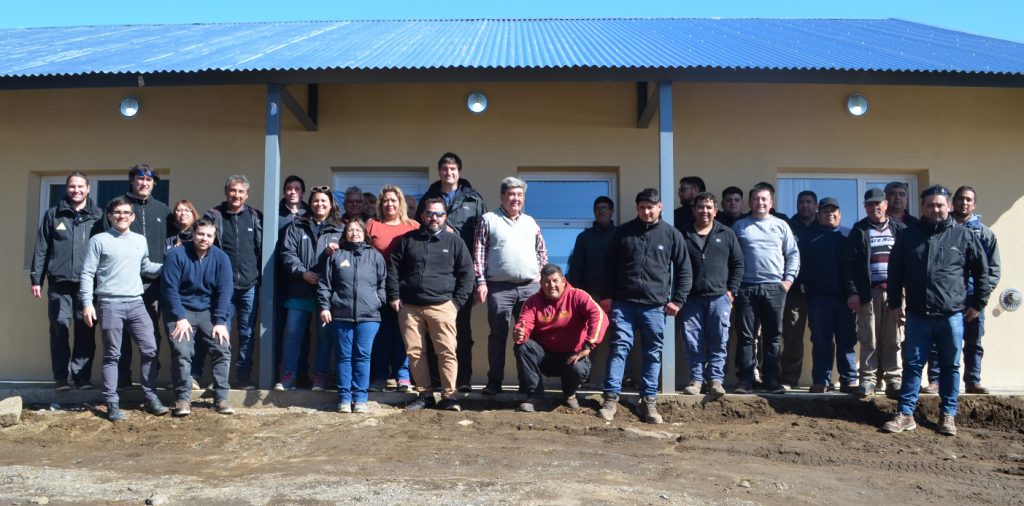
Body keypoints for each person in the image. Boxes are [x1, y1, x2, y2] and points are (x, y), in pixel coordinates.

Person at [882, 184, 989, 437]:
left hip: (951, 316)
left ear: (949, 206)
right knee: (912, 364)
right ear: (923, 207)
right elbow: (895, 271)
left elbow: (982, 272)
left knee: (951, 366)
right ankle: (905, 414)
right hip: (917, 314)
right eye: (930, 205)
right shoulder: (909, 236)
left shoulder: (964, 236)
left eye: (940, 204)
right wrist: (896, 303)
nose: (935, 209)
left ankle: (948, 415)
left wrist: (978, 304)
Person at [598, 188, 690, 424]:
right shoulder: (623, 233)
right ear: (637, 208)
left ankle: (648, 402)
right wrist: (607, 296)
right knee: (619, 349)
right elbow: (607, 266)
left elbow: (685, 270)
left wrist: (677, 300)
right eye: (642, 208)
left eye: (651, 207)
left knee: (652, 354)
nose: (646, 212)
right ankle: (610, 401)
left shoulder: (671, 234)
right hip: (624, 305)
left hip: (654, 307)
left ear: (659, 206)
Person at [80, 197, 165, 422]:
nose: (122, 216)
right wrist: (87, 303)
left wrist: (173, 264)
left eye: (126, 212)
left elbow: (146, 267)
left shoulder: (139, 240)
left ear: (132, 216)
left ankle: (150, 396)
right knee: (112, 355)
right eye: (117, 212)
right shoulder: (99, 240)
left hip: (137, 303)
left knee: (150, 350)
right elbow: (88, 273)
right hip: (109, 304)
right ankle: (111, 401)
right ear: (109, 215)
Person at [388, 198, 475, 411]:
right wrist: (394, 295)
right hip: (410, 307)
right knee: (415, 352)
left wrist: (456, 304)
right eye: (429, 214)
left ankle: (449, 397)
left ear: (445, 217)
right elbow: (393, 269)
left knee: (446, 351)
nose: (434, 218)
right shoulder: (408, 240)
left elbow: (467, 274)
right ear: (422, 216)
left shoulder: (455, 242)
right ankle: (425, 395)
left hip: (442, 305)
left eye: (438, 214)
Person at [417, 152, 488, 391]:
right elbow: (420, 233)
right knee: (433, 330)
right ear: (439, 172)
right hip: (435, 273)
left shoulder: (474, 199)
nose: (449, 173)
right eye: (445, 169)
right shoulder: (428, 198)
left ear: (459, 171)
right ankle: (437, 380)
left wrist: (480, 279)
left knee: (462, 329)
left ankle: (463, 380)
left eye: (453, 169)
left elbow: (482, 240)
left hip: (462, 274)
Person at [923, 186, 1001, 395]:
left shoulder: (984, 233)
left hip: (972, 298)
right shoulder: (941, 229)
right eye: (960, 199)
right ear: (952, 203)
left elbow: (992, 270)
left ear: (974, 205)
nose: (964, 203)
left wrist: (980, 301)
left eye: (968, 200)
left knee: (973, 341)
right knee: (937, 341)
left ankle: (973, 381)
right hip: (945, 297)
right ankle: (935, 381)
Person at [474, 177, 548, 395]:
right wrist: (481, 282)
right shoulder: (488, 219)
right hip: (499, 288)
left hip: (529, 288)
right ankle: (494, 382)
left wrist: (540, 278)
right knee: (498, 335)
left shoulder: (531, 222)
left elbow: (542, 251)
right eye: (512, 194)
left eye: (520, 195)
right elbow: (478, 253)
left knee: (526, 336)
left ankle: (527, 384)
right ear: (502, 196)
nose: (516, 199)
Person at [30, 172, 103, 391]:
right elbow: (42, 248)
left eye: (81, 186)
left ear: (88, 188)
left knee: (85, 330)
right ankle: (61, 378)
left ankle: (82, 378)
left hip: (87, 285)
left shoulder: (99, 215)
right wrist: (36, 279)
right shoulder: (54, 214)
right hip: (59, 283)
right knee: (60, 328)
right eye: (72, 186)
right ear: (67, 188)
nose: (76, 190)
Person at [107, 164, 173, 389]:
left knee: (151, 334)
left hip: (153, 284)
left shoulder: (163, 210)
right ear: (132, 181)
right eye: (140, 178)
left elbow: (172, 244)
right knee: (121, 337)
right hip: (123, 284)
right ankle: (122, 382)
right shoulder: (120, 206)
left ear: (153, 183)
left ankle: (150, 383)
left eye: (149, 179)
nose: (144, 183)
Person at [161, 218, 235, 416]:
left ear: (214, 237)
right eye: (200, 234)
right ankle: (183, 399)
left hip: (208, 312)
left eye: (209, 235)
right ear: (193, 234)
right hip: (180, 311)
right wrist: (179, 317)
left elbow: (225, 291)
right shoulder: (176, 255)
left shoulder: (221, 258)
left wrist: (220, 322)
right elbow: (169, 289)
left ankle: (221, 398)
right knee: (182, 350)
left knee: (222, 348)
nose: (204, 239)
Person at [731, 183, 800, 394]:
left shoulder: (781, 225)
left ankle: (771, 379)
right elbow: (730, 258)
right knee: (745, 336)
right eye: (756, 199)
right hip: (746, 288)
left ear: (771, 203)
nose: (760, 203)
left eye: (764, 199)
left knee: (773, 336)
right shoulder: (739, 226)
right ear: (750, 202)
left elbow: (793, 254)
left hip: (774, 288)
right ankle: (745, 379)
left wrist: (788, 280)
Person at [513, 264, 608, 412]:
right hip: (546, 358)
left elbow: (599, 315)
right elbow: (524, 324)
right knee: (523, 346)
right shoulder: (532, 302)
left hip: (573, 357)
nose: (551, 285)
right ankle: (536, 398)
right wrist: (520, 333)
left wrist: (588, 346)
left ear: (563, 281)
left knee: (577, 368)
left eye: (555, 280)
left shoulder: (578, 295)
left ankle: (569, 395)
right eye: (546, 282)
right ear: (541, 284)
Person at [276, 186, 343, 391]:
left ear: (331, 204)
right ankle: (288, 375)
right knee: (293, 332)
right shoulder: (297, 226)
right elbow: (287, 254)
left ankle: (320, 377)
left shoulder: (340, 230)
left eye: (324, 201)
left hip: (327, 292)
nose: (319, 204)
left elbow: (347, 261)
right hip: (300, 287)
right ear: (310, 203)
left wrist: (337, 254)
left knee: (324, 335)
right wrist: (302, 272)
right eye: (316, 201)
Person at [318, 219, 387, 413]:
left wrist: (377, 300)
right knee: (344, 358)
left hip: (369, 317)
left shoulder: (375, 257)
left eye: (358, 229)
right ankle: (345, 399)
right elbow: (325, 284)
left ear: (365, 234)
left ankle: (361, 399)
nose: (354, 233)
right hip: (340, 316)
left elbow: (383, 284)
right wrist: (325, 306)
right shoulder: (336, 256)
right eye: (350, 230)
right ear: (345, 234)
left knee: (363, 357)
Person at [679, 192, 743, 398]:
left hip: (719, 298)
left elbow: (738, 264)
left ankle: (715, 380)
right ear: (693, 210)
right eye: (700, 207)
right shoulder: (683, 234)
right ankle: (696, 379)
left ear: (715, 211)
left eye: (708, 207)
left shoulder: (726, 233)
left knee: (719, 340)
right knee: (692, 341)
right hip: (691, 299)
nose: (704, 211)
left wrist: (731, 292)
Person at [844, 188, 907, 399]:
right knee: (868, 337)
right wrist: (853, 292)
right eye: (871, 204)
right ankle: (868, 380)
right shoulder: (859, 230)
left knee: (893, 338)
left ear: (886, 205)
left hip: (895, 293)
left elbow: (909, 262)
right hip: (868, 293)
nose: (875, 207)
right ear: (865, 207)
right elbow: (850, 266)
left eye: (878, 203)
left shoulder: (899, 229)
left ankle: (894, 380)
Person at [203, 175, 263, 389]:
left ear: (246, 194)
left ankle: (244, 378)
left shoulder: (256, 217)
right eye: (232, 190)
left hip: (250, 286)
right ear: (226, 191)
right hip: (222, 287)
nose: (236, 195)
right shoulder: (214, 216)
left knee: (247, 333)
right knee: (221, 332)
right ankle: (220, 380)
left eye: (240, 191)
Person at [801, 198, 858, 393]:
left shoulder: (849, 235)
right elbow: (802, 266)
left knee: (847, 340)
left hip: (846, 299)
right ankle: (821, 380)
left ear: (840, 214)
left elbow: (857, 267)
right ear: (819, 214)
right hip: (818, 299)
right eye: (825, 211)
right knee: (821, 341)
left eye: (834, 211)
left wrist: (855, 293)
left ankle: (849, 379)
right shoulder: (809, 238)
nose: (830, 214)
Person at [366, 185, 420, 392]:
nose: (389, 204)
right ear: (381, 204)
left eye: (393, 200)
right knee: (381, 334)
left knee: (403, 333)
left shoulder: (413, 226)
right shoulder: (371, 225)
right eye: (386, 200)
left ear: (400, 203)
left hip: (405, 289)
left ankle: (403, 376)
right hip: (378, 289)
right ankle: (379, 376)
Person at [274, 176, 310, 386]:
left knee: (304, 332)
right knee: (283, 331)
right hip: (280, 281)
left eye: (297, 188)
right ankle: (282, 373)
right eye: (289, 188)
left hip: (305, 282)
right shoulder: (274, 213)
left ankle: (303, 375)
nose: (293, 192)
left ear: (302, 192)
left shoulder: (309, 214)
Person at [780, 190, 818, 389]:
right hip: (794, 291)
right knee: (792, 335)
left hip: (820, 292)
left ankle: (821, 379)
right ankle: (789, 378)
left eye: (809, 202)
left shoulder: (823, 227)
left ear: (816, 205)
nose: (805, 205)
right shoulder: (788, 226)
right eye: (801, 202)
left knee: (821, 337)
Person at [566, 196, 616, 297]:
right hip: (590, 295)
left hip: (616, 296)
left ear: (612, 212)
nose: (601, 211)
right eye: (597, 208)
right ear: (594, 212)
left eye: (604, 208)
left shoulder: (620, 235)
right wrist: (575, 294)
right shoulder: (584, 237)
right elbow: (576, 268)